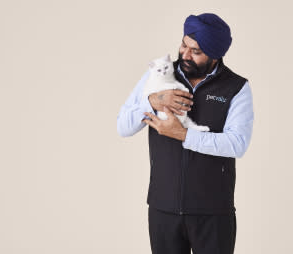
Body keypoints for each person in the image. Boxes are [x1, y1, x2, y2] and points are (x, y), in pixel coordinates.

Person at [117, 13, 254, 254]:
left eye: (196, 51)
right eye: (183, 45)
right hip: (163, 209)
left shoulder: (236, 88)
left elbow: (237, 143)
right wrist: (152, 101)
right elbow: (123, 126)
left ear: (215, 54)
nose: (185, 54)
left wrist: (183, 135)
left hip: (213, 213)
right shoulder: (159, 75)